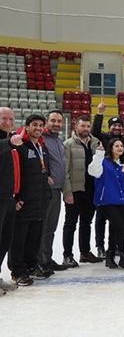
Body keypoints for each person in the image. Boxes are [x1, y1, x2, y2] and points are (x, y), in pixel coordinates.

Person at [10, 114, 53, 285]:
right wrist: (17, 197)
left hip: (40, 199)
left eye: (41, 125)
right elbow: (14, 172)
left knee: (34, 237)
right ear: (27, 126)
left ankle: (31, 265)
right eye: (34, 125)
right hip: (24, 201)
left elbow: (43, 169)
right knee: (19, 238)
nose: (38, 128)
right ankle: (17, 271)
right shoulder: (21, 146)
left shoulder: (41, 146)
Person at [88, 139, 124, 270]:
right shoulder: (103, 161)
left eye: (121, 146)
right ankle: (122, 254)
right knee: (120, 225)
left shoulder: (123, 164)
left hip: (122, 201)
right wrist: (98, 155)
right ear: (111, 148)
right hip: (106, 201)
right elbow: (93, 171)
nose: (119, 148)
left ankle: (110, 257)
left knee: (115, 228)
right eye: (116, 145)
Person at [62, 116, 102, 267]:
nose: (85, 129)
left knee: (86, 222)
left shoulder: (96, 143)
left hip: (91, 190)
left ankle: (85, 252)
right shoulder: (68, 144)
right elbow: (65, 170)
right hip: (75, 190)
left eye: (87, 126)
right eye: (83, 126)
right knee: (70, 223)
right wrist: (67, 191)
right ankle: (67, 255)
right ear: (76, 127)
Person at [39, 109, 68, 272]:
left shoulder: (58, 141)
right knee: (42, 228)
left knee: (50, 228)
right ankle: (38, 261)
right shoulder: (41, 139)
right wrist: (45, 176)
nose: (56, 124)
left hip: (56, 190)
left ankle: (47, 258)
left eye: (59, 121)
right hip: (44, 191)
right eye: (53, 121)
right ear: (46, 121)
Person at [0, 107, 23, 293]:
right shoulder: (9, 142)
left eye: (11, 119)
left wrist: (16, 195)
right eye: (3, 118)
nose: (8, 122)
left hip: (9, 198)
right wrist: (9, 143)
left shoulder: (12, 141)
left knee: (5, 240)